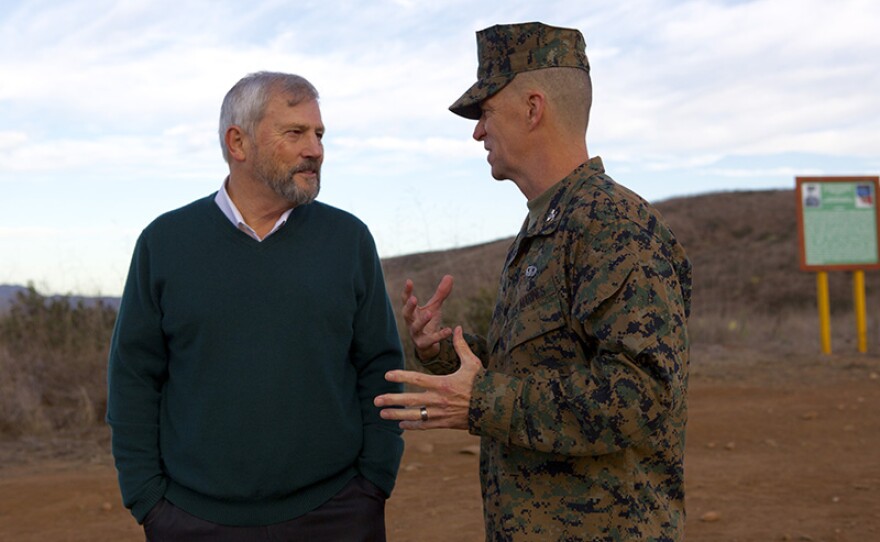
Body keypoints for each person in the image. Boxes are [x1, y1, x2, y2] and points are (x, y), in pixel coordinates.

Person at [375, 22, 692, 541]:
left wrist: (479, 401)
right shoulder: (547, 224)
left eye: (486, 112)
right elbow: (540, 368)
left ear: (533, 108)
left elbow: (640, 396)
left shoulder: (613, 225)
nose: (477, 131)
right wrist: (450, 354)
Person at [107, 71, 405, 541]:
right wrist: (148, 499)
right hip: (192, 518)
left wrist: (373, 482)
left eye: (319, 134)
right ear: (237, 142)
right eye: (295, 133)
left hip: (337, 513)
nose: (316, 149)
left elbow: (378, 365)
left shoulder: (347, 240)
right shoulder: (165, 243)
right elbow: (134, 377)